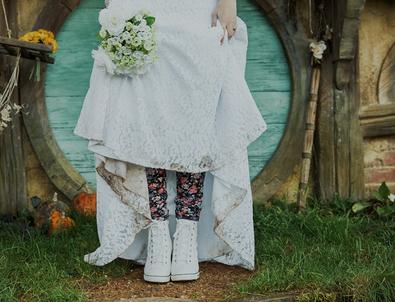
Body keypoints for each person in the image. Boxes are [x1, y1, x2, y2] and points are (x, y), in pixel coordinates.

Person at [73, 0, 267, 283]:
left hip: (198, 11)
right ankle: (158, 235)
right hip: (147, 7)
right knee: (149, 123)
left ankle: (187, 235)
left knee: (197, 119)